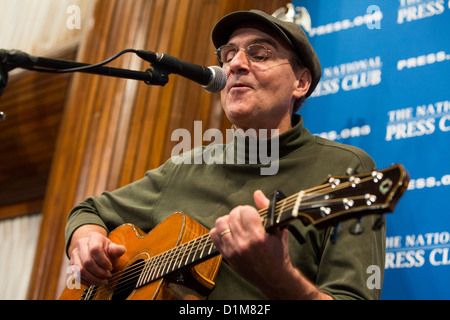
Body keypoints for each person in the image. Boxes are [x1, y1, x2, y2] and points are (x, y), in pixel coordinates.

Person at [65, 10, 385, 300]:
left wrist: (280, 278)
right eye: (228, 55)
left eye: (259, 54)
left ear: (300, 82)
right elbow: (89, 209)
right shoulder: (184, 167)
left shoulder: (347, 169)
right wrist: (88, 240)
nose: (235, 64)